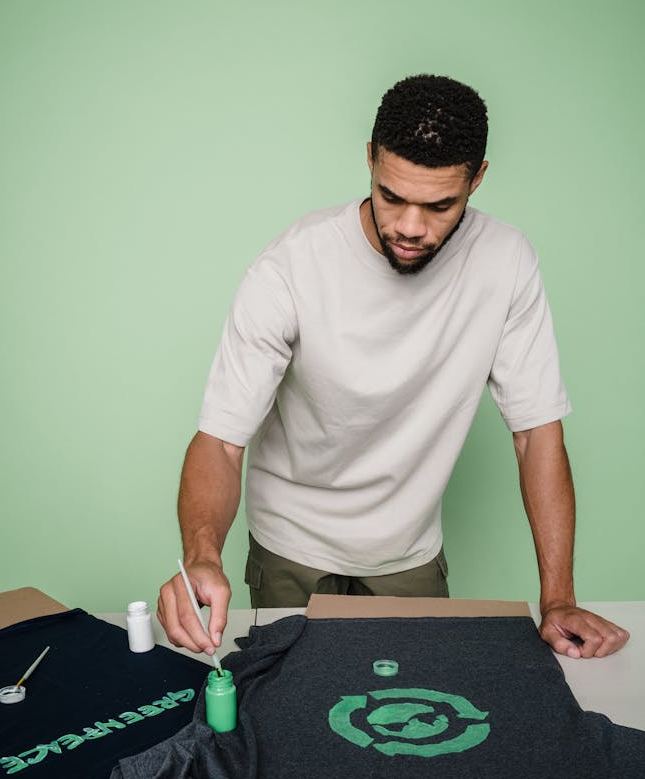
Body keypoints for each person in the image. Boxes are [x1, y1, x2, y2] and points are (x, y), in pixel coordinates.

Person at [158, 74, 628, 661]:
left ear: (477, 179)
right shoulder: (289, 268)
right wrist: (202, 555)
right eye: (391, 196)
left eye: (439, 205)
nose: (410, 226)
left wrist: (558, 599)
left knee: (423, 722)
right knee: (291, 722)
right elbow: (222, 442)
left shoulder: (506, 263)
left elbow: (537, 435)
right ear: (371, 160)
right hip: (289, 549)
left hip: (410, 554)